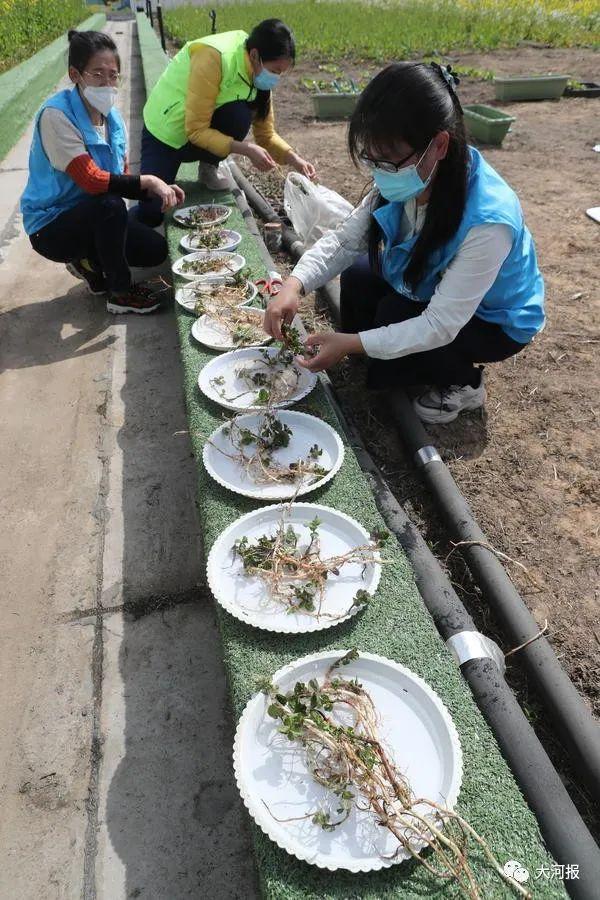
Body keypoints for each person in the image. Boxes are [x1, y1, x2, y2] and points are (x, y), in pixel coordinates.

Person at [264, 62, 545, 424]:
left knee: (395, 317)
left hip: (494, 319)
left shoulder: (489, 221)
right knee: (361, 273)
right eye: (371, 157)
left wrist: (352, 341)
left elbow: (439, 324)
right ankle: (371, 354)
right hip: (438, 285)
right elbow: (345, 242)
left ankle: (464, 383)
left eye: (389, 159)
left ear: (439, 144)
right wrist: (294, 285)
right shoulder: (406, 175)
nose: (379, 171)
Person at [21, 30, 185, 314]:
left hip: (93, 213)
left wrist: (160, 188)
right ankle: (120, 293)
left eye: (113, 75)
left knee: (154, 250)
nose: (107, 83)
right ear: (75, 74)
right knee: (109, 206)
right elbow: (92, 181)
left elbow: (119, 178)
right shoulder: (56, 116)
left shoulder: (114, 119)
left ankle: (90, 264)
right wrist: (148, 181)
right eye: (97, 74)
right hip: (52, 225)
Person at [137, 18, 315, 226]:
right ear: (255, 55)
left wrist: (294, 159)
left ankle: (208, 168)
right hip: (165, 133)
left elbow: (265, 135)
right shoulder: (215, 57)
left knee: (238, 114)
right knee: (151, 213)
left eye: (281, 73)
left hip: (196, 136)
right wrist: (246, 149)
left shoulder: (259, 78)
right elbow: (196, 130)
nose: (276, 78)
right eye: (275, 71)